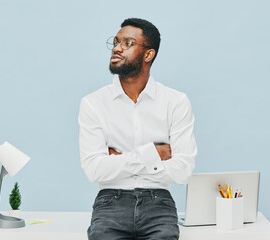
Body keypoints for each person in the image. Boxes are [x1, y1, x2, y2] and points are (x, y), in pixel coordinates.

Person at [78, 18, 197, 240]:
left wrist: (118, 159)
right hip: (109, 202)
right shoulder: (93, 103)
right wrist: (154, 154)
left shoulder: (176, 101)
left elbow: (183, 170)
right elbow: (94, 170)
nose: (116, 48)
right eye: (115, 42)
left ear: (148, 54)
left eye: (127, 43)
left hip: (159, 202)